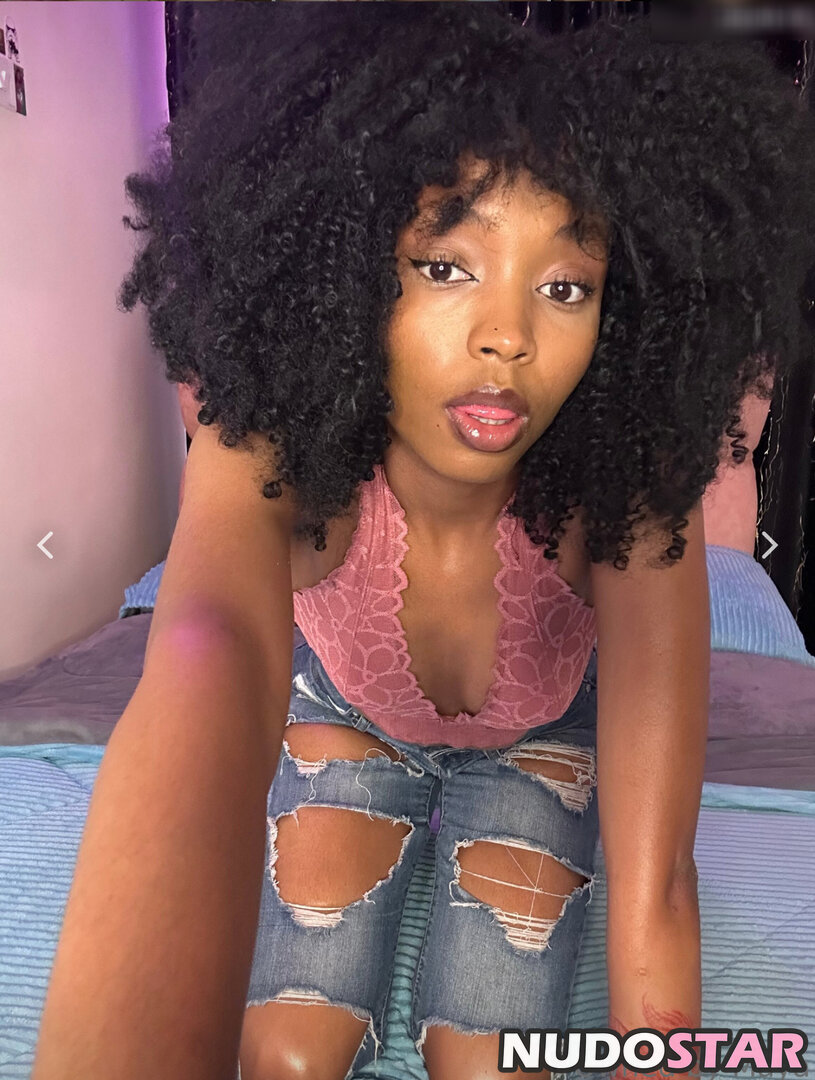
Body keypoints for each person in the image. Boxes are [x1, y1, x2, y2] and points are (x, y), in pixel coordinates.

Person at [33, 6, 815, 1080]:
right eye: (446, 266)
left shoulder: (632, 493)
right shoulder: (274, 437)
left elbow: (656, 887)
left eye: (563, 286)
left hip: (536, 740)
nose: (507, 337)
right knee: (288, 1055)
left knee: (490, 1064)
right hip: (346, 718)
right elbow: (206, 653)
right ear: (348, 273)